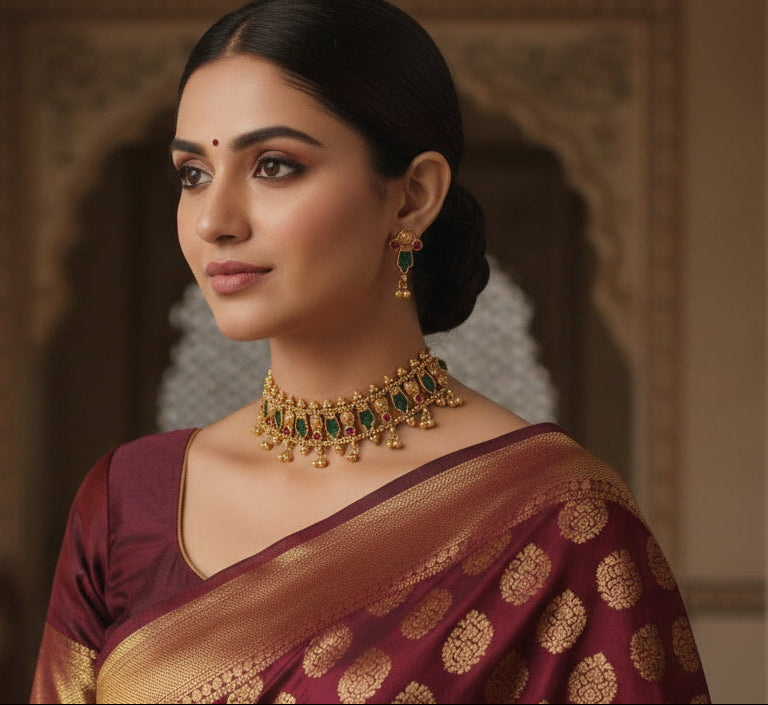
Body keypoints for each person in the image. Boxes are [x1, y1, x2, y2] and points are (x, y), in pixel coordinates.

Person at [30, 1, 711, 702]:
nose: (214, 221)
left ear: (413, 196)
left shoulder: (566, 522)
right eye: (193, 174)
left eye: (272, 165)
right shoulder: (122, 503)